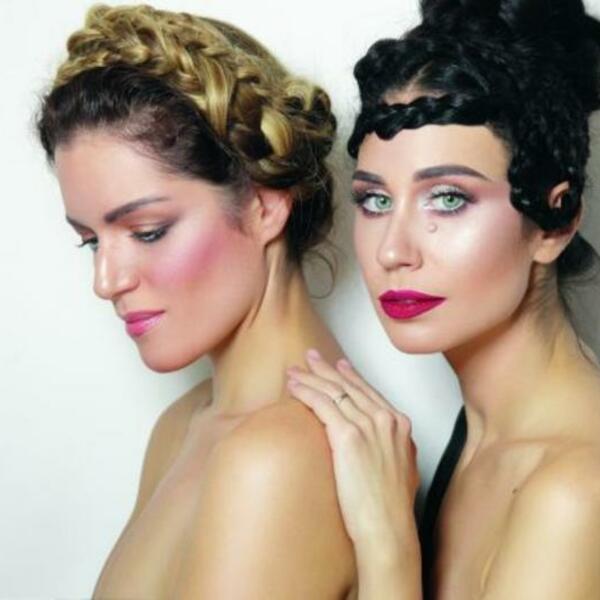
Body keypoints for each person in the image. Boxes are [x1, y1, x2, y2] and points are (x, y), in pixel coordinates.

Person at [36, 4, 358, 598]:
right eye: (91, 241)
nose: (106, 282)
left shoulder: (281, 455)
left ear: (264, 205)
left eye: (147, 232)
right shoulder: (183, 426)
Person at [286, 0, 600, 598]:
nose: (392, 251)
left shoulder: (574, 493)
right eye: (376, 200)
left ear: (555, 221)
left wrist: (387, 546)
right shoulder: (479, 437)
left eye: (449, 198)